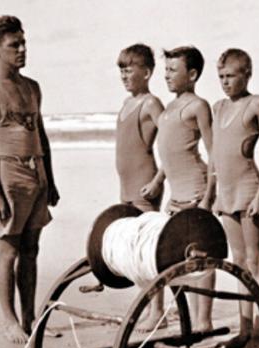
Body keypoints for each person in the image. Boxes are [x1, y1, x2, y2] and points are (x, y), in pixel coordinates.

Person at [0, 15, 59, 344]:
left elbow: (41, 134)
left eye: (24, 42)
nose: (22, 49)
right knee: (8, 248)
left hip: (36, 172)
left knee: (32, 249)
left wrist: (50, 178)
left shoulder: (32, 86)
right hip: (8, 173)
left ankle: (29, 316)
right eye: (14, 45)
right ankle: (9, 321)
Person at [143, 46, 215, 331]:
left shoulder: (197, 106)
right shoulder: (169, 108)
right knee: (177, 257)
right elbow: (169, 153)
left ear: (193, 74)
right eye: (166, 70)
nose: (167, 75)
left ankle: (204, 321)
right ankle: (189, 320)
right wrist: (158, 180)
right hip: (176, 195)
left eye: (174, 70)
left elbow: (213, 153)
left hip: (197, 191)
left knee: (203, 259)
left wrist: (209, 196)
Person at [211, 48, 259, 348]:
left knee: (256, 259)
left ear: (246, 75)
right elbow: (214, 155)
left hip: (249, 188)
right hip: (226, 191)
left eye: (231, 76)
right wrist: (212, 194)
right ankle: (244, 328)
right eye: (221, 76)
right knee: (238, 263)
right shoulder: (218, 107)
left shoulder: (257, 103)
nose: (225, 81)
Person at [115, 43, 167, 332]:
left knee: (148, 249)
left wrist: (158, 180)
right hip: (126, 185)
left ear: (146, 72)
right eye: (120, 69)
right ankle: (148, 306)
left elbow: (171, 143)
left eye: (129, 69)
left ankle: (158, 311)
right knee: (132, 247)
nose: (123, 75)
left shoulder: (150, 103)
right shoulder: (126, 104)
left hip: (145, 185)